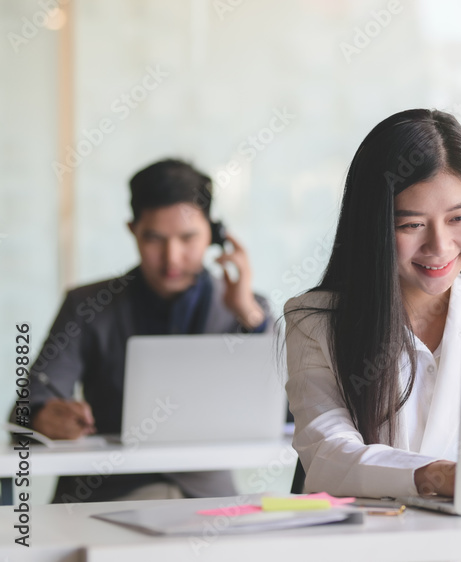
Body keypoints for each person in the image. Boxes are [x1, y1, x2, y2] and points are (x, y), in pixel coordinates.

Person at [284, 109, 461, 499]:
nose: (440, 246)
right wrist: (435, 475)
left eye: (459, 217)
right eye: (411, 224)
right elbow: (328, 456)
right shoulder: (315, 321)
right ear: (374, 226)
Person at [11, 158, 272, 502]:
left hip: (205, 496)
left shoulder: (246, 309)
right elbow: (24, 409)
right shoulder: (87, 305)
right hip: (107, 491)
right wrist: (46, 419)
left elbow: (288, 412)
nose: (172, 257)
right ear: (132, 230)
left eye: (188, 237)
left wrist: (250, 317)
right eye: (155, 239)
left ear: (215, 234)